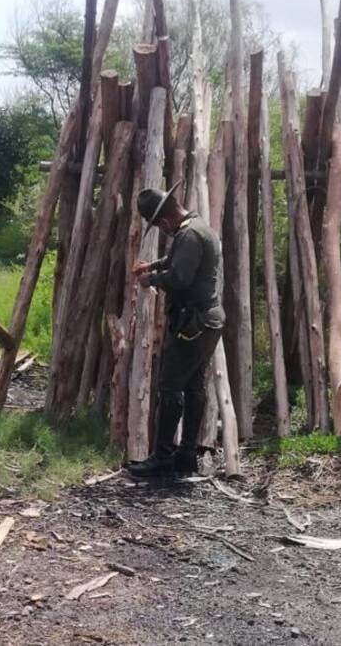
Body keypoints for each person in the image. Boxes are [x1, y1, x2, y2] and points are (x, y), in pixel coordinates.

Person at [127, 187, 225, 477]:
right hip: (206, 321)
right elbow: (178, 261)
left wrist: (151, 280)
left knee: (170, 388)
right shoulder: (197, 227)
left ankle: (162, 459)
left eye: (159, 225)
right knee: (194, 388)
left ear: (165, 221)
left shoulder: (188, 234)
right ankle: (185, 457)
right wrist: (153, 265)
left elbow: (180, 277)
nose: (161, 230)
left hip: (193, 324)